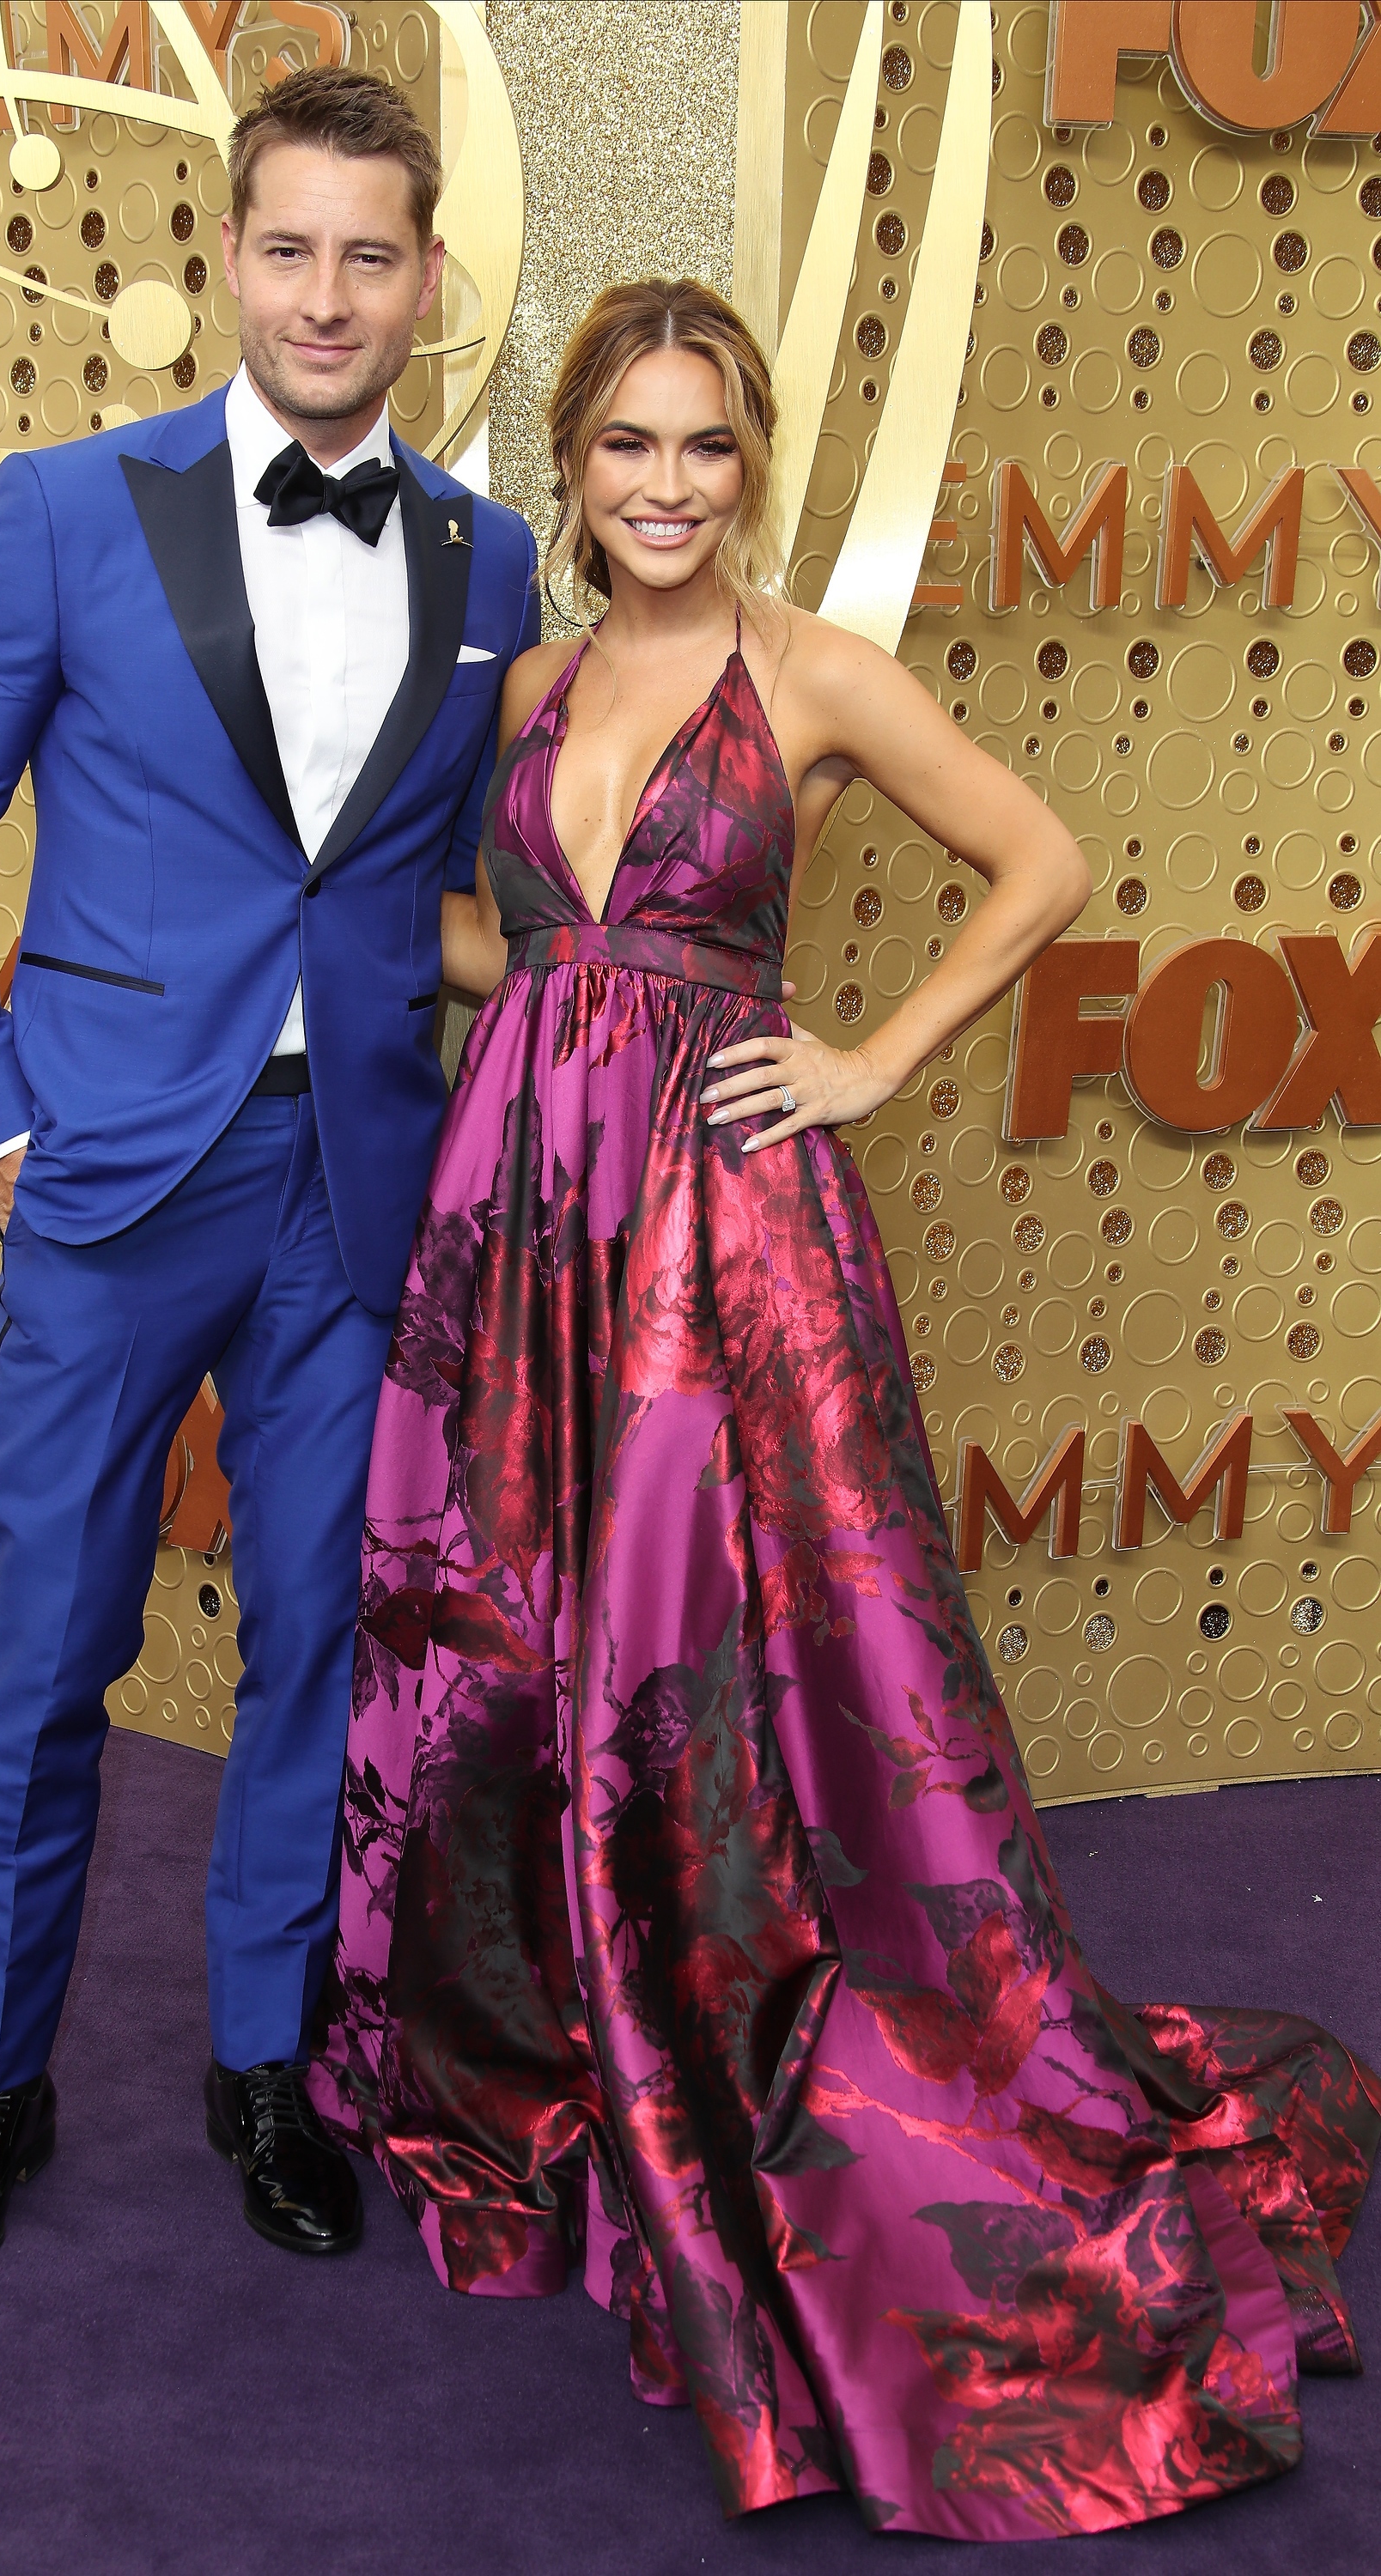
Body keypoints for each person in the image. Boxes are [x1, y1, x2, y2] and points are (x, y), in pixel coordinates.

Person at [312, 278, 1378, 2539]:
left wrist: (876, 1059)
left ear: (750, 463)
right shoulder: (531, 677)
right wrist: (405, 962)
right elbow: (532, 936)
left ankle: (739, 2036)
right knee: (515, 1637)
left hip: (720, 1232)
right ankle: (563, 2029)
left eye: (705, 447)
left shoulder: (808, 676)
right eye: (627, 448)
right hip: (522, 1210)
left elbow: (1048, 861)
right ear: (575, 466)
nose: (667, 486)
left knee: (700, 1656)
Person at [0, 67, 538, 2287]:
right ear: (224, 262)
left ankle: (271, 2067)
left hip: (354, 1185)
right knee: (50, 1647)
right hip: (114, 1180)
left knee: (319, 1652)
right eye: (289, 246)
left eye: (371, 254)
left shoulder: (488, 555)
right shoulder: (65, 511)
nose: (327, 294)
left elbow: (447, 886)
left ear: (426, 282)